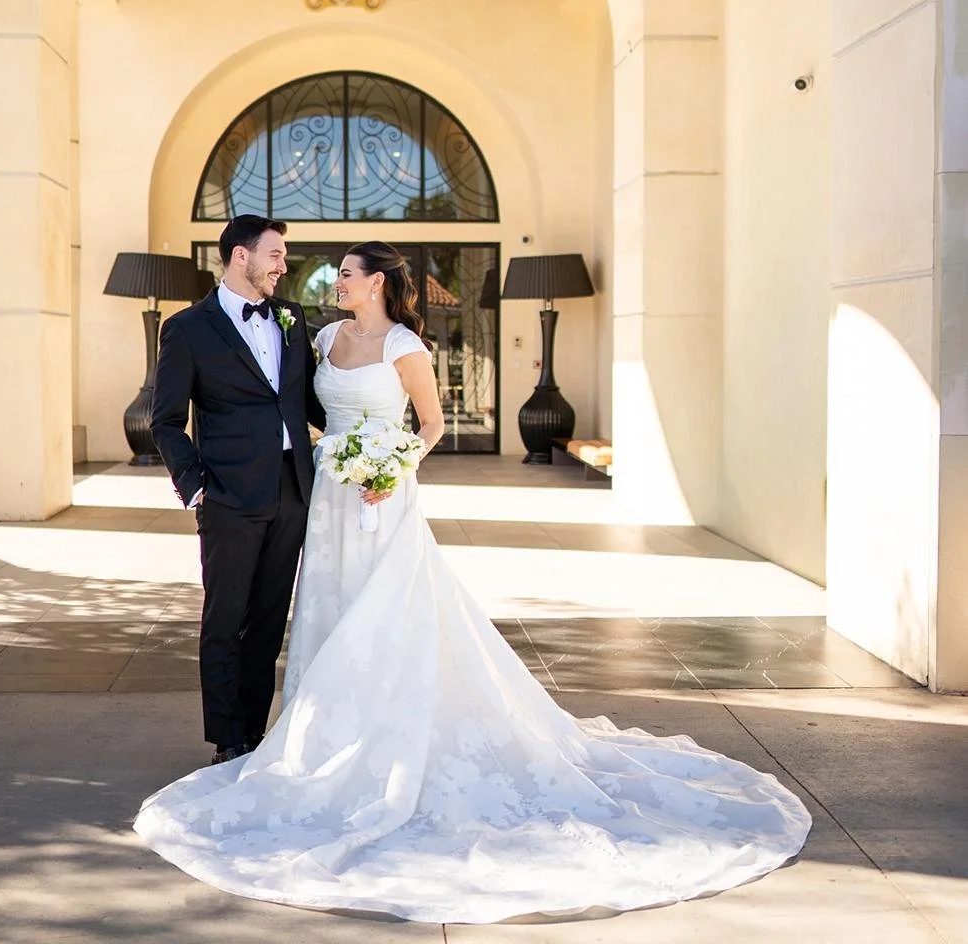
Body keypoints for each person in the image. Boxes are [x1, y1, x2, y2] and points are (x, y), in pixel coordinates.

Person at [137, 241, 812, 925]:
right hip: (331, 499)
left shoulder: (404, 343)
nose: (331, 281)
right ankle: (318, 738)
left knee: (388, 614)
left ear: (375, 282)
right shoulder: (324, 335)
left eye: (344, 273)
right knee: (327, 610)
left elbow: (428, 424)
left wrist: (393, 464)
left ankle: (388, 735)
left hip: (381, 496)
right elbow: (292, 408)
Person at [148, 214, 325, 763]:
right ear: (240, 257)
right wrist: (197, 488)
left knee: (270, 620)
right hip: (227, 496)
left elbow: (313, 406)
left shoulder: (292, 318)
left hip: (293, 494)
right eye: (275, 254)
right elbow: (166, 421)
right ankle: (228, 739)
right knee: (225, 620)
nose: (283, 265)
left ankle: (253, 734)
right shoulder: (187, 328)